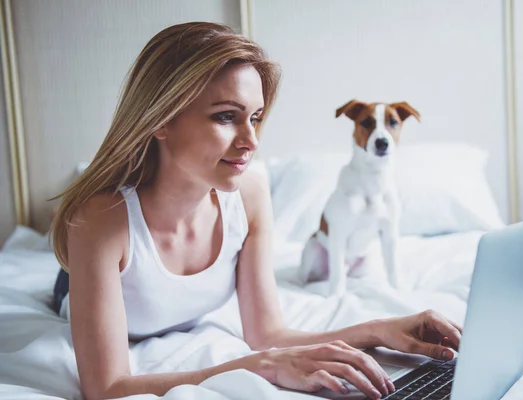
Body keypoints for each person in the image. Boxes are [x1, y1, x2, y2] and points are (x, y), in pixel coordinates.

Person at [50, 22, 462, 400]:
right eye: (226, 117)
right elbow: (106, 388)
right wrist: (254, 368)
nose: (251, 141)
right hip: (80, 278)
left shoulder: (249, 193)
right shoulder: (99, 220)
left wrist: (381, 329)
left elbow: (267, 334)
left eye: (256, 118)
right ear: (160, 119)